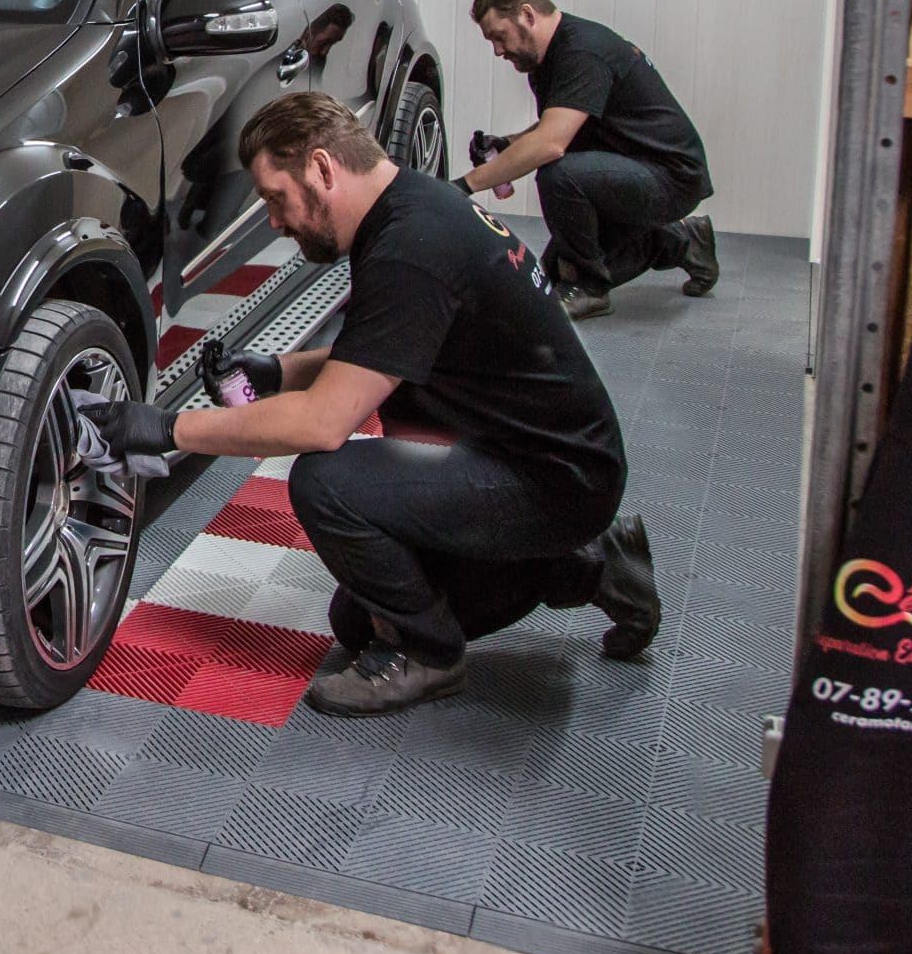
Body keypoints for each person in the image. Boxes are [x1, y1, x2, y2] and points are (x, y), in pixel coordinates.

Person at [84, 91, 659, 717]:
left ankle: (433, 655)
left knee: (329, 482)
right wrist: (279, 371)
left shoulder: (410, 248)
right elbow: (389, 349)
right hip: (538, 455)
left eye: (277, 198)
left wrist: (166, 428)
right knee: (356, 623)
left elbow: (323, 423)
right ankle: (592, 564)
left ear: (324, 169)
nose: (275, 222)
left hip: (553, 480)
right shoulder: (415, 206)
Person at [458, 0, 718, 320]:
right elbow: (564, 124)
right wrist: (505, 145)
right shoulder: (546, 58)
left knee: (559, 175)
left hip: (670, 177)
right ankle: (686, 240)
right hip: (630, 169)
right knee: (545, 282)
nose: (498, 50)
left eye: (499, 36)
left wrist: (465, 186)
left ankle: (589, 287)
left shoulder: (582, 51)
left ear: (527, 15)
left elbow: (551, 143)